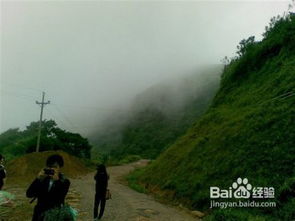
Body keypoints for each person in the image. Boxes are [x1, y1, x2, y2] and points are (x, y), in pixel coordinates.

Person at [26, 154, 70, 221]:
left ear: (60, 167)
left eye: (55, 167)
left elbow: (60, 197)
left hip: (55, 215)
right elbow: (29, 194)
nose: (52, 169)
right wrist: (38, 179)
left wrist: (57, 181)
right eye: (50, 167)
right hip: (40, 215)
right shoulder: (43, 179)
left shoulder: (64, 181)